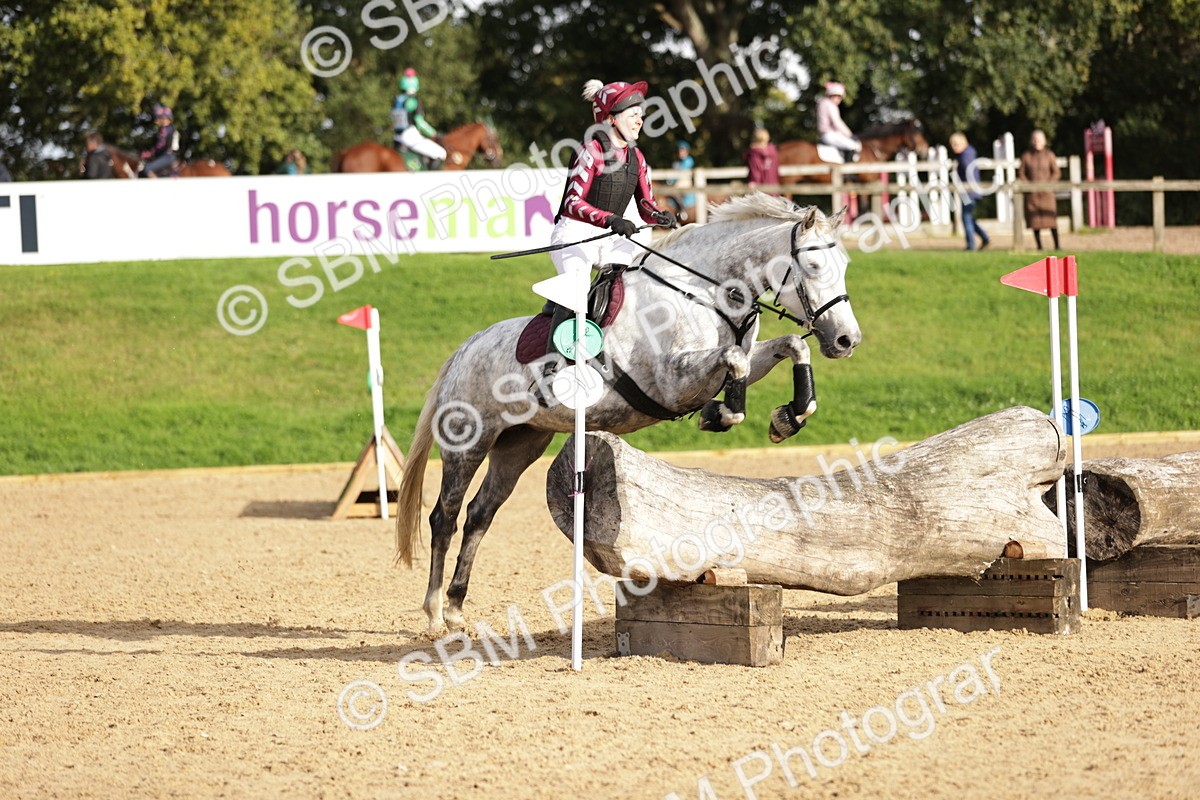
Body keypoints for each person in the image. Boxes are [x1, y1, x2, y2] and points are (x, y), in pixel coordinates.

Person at [392, 68, 446, 169]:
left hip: (397, 136)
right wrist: (433, 133)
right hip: (410, 135)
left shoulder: (397, 100)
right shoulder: (412, 100)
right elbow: (419, 122)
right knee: (441, 153)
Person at [1018, 129, 1061, 250]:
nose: (1037, 142)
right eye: (1035, 139)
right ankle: (1039, 246)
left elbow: (1056, 172)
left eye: (1040, 140)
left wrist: (1049, 185)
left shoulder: (1049, 155)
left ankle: (1057, 246)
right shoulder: (1026, 156)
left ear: (1045, 141)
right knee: (1034, 221)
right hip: (1033, 195)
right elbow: (1021, 173)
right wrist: (1029, 186)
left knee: (1051, 220)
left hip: (1047, 194)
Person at [948, 132, 990, 251]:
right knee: (968, 218)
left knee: (966, 217)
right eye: (952, 144)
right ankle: (984, 237)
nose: (953, 147)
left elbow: (968, 170)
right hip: (968, 190)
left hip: (969, 191)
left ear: (964, 143)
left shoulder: (966, 155)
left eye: (956, 144)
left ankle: (971, 245)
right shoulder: (967, 154)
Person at [817, 82, 861, 162]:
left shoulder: (823, 102)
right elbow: (837, 123)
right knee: (854, 146)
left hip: (826, 135)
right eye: (839, 97)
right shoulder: (830, 105)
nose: (840, 100)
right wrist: (850, 134)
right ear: (833, 95)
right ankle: (848, 173)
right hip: (830, 134)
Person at [139, 104, 179, 178]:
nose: (156, 121)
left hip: (167, 156)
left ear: (164, 118)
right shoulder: (171, 129)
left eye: (158, 118)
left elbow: (160, 146)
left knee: (147, 169)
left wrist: (148, 154)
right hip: (170, 156)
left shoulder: (165, 130)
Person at [667, 140, 695, 215]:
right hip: (677, 181)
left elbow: (682, 171)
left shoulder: (688, 160)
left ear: (687, 151)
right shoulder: (676, 162)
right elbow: (673, 173)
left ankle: (683, 210)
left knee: (675, 191)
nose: (680, 152)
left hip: (684, 181)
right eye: (679, 151)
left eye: (682, 150)